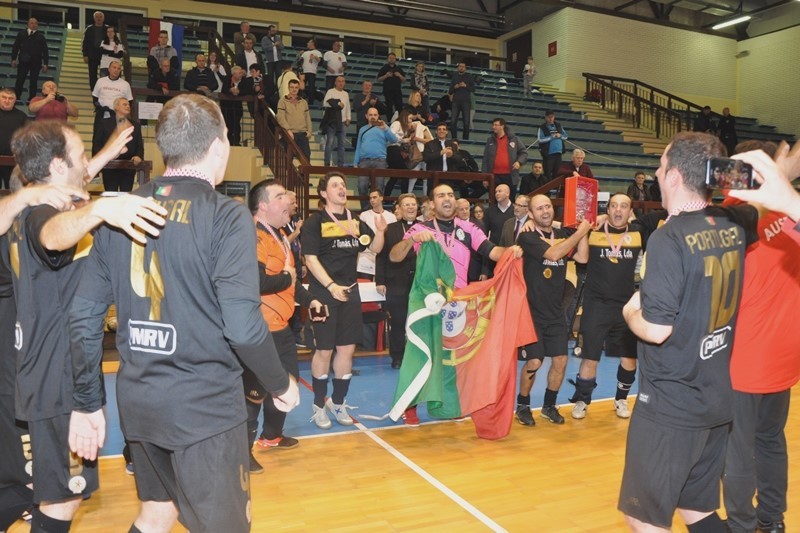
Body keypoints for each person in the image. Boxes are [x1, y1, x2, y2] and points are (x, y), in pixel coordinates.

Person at [67, 94, 299, 532]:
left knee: (156, 515)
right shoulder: (226, 216)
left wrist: (87, 400)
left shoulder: (119, 211)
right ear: (217, 145)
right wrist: (280, 382)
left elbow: (83, 318)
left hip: (139, 401)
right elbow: (243, 327)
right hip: (204, 407)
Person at [7, 118, 168, 533]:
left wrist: (105, 157)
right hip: (58, 379)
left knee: (53, 494)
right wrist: (102, 208)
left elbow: (70, 191)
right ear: (57, 165)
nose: (87, 165)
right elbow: (53, 236)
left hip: (44, 372)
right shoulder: (41, 216)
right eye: (80, 157)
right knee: (63, 500)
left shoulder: (26, 210)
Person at [619, 131, 758, 532]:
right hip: (714, 400)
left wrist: (630, 311)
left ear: (675, 176)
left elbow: (657, 330)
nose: (657, 173)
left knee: (641, 516)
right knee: (695, 509)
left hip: (671, 405)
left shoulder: (669, 238)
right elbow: (759, 195)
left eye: (662, 166)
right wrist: (721, 172)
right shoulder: (733, 223)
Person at [389, 184, 522, 423]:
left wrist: (511, 251)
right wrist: (412, 240)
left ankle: (447, 407)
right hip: (428, 303)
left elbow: (491, 251)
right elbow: (394, 256)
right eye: (441, 195)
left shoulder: (468, 228)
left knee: (452, 358)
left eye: (451, 194)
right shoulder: (420, 228)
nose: (447, 199)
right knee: (420, 353)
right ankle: (409, 406)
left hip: (457, 304)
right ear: (432, 204)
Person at [720, 141, 799, 533]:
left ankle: (741, 524)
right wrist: (784, 169)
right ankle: (772, 519)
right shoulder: (793, 216)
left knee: (738, 449)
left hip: (745, 357)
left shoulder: (738, 213)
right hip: (785, 354)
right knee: (770, 440)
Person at [245, 179, 324, 473]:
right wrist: (288, 278)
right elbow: (256, 282)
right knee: (253, 392)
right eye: (280, 196)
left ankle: (272, 435)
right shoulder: (253, 235)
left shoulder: (279, 235)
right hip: (258, 330)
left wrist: (310, 300)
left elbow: (289, 282)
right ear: (263, 205)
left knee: (287, 383)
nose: (289, 201)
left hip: (282, 327)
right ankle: (242, 451)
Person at [301, 172, 387, 429]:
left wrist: (381, 232)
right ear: (324, 193)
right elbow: (310, 259)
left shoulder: (355, 221)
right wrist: (330, 286)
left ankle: (338, 402)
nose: (341, 188)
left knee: (347, 350)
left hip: (349, 293)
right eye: (335, 185)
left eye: (342, 185)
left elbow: (375, 248)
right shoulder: (315, 222)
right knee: (324, 350)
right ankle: (319, 405)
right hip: (323, 294)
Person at [514, 195, 591, 426]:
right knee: (534, 362)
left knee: (560, 360)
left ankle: (549, 406)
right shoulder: (527, 236)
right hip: (532, 313)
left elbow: (582, 257)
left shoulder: (561, 234)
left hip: (556, 312)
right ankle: (523, 405)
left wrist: (583, 232)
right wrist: (579, 232)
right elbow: (554, 254)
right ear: (531, 213)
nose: (545, 211)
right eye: (539, 208)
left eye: (547, 206)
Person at [568, 194, 644, 420]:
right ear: (607, 209)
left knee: (629, 359)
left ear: (630, 211)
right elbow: (580, 257)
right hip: (596, 305)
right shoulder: (594, 230)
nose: (618, 210)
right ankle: (582, 400)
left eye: (624, 206)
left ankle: (621, 399)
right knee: (590, 357)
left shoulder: (639, 232)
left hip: (625, 307)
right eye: (614, 206)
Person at [376, 193, 418, 369]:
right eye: (406, 205)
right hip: (396, 282)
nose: (411, 207)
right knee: (398, 322)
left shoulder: (425, 228)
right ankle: (397, 357)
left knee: (419, 322)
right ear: (399, 209)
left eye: (413, 204)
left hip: (419, 283)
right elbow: (381, 256)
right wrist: (380, 280)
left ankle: (418, 357)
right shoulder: (391, 229)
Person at [92, 97, 144, 192]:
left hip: (128, 166)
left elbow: (139, 145)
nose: (128, 106)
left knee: (126, 195)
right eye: (124, 104)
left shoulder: (136, 125)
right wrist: (99, 161)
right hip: (109, 166)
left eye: (128, 105)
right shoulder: (104, 123)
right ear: (116, 107)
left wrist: (138, 156)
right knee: (111, 195)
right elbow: (97, 143)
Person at [354, 108, 398, 208]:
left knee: (379, 188)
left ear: (378, 116)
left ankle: (376, 209)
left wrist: (385, 128)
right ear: (366, 116)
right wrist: (355, 162)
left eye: (375, 115)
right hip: (364, 161)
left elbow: (394, 140)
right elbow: (358, 146)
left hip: (380, 161)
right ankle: (365, 210)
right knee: (362, 186)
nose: (373, 117)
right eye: (370, 115)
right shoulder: (362, 129)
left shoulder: (384, 128)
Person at [91, 60, 133, 158]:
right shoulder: (100, 81)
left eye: (118, 68)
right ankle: (96, 161)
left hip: (117, 117)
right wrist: (100, 108)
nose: (116, 70)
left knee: (115, 139)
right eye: (114, 68)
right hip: (102, 115)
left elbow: (129, 101)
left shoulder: (125, 84)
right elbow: (95, 98)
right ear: (109, 69)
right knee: (97, 139)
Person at [482, 118, 528, 199]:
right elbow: (485, 159)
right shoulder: (490, 140)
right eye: (493, 125)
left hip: (510, 176)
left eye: (496, 125)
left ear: (502, 126)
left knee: (510, 199)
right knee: (494, 200)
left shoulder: (514, 139)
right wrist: (485, 177)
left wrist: (519, 162)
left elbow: (524, 153)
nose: (493, 127)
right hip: (494, 176)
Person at [358, 189, 397, 278]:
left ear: (381, 198)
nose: (372, 200)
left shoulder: (391, 216)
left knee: (382, 282)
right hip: (367, 254)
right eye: (370, 198)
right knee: (366, 282)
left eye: (374, 197)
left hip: (384, 254)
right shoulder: (364, 215)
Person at [12, 18, 49, 102]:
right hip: (23, 62)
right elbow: (15, 47)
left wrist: (45, 63)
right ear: (28, 24)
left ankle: (32, 99)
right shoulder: (21, 34)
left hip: (36, 63)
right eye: (31, 23)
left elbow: (45, 51)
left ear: (37, 25)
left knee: (33, 82)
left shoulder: (41, 36)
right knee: (20, 80)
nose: (33, 25)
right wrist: (13, 59)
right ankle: (16, 97)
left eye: (35, 23)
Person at [277, 79, 313, 163]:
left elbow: (307, 117)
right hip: (290, 134)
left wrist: (309, 131)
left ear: (299, 88)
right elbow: (280, 117)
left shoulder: (303, 102)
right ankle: (287, 172)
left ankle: (303, 173)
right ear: (288, 88)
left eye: (296, 87)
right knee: (288, 158)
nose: (294, 89)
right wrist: (288, 130)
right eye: (292, 87)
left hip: (302, 134)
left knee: (306, 157)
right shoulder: (282, 101)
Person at [0, 88, 28, 189]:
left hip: (13, 161)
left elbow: (27, 137)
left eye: (10, 98)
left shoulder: (22, 116)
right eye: (4, 97)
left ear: (15, 100)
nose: (7, 100)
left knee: (12, 190)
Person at [456, 198, 488, 282]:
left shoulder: (479, 224)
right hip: (457, 271)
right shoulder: (453, 225)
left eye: (466, 208)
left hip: (475, 270)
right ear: (456, 211)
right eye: (461, 209)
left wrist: (484, 271)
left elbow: (485, 249)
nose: (465, 211)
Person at [321, 76, 350, 167]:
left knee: (342, 144)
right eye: (339, 81)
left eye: (343, 81)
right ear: (335, 82)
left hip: (343, 122)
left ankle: (341, 164)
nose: (341, 83)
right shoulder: (331, 91)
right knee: (330, 143)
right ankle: (327, 163)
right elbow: (325, 103)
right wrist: (338, 104)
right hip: (333, 121)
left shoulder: (346, 94)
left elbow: (348, 106)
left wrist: (348, 118)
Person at [537, 110, 568, 180]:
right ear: (545, 117)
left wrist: (560, 135)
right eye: (549, 117)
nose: (551, 119)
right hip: (548, 154)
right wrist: (551, 137)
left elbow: (565, 136)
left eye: (552, 117)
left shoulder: (558, 125)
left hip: (558, 153)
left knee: (558, 173)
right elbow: (540, 140)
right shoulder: (542, 127)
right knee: (547, 174)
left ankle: (556, 186)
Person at [82, 11, 107, 91]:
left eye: (100, 17)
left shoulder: (107, 29)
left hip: (104, 55)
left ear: (103, 18)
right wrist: (85, 55)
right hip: (92, 55)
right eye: (97, 17)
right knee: (92, 74)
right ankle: (94, 91)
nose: (99, 18)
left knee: (104, 74)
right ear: (94, 18)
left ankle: (104, 90)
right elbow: (85, 42)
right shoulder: (89, 29)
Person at [449, 62, 475, 141]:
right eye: (460, 66)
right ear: (458, 67)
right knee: (453, 121)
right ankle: (454, 139)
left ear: (465, 68)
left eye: (463, 66)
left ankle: (465, 140)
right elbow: (450, 91)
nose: (461, 68)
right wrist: (455, 87)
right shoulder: (454, 76)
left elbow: (473, 89)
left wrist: (465, 86)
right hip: (455, 101)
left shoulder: (469, 76)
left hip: (466, 101)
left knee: (466, 123)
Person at [377, 53, 406, 123]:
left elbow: (404, 80)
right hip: (388, 91)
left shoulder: (398, 68)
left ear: (395, 59)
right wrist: (386, 76)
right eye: (390, 58)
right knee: (389, 107)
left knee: (399, 107)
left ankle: (400, 122)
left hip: (397, 91)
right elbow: (378, 79)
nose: (392, 59)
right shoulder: (384, 68)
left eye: (393, 58)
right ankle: (390, 121)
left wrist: (399, 75)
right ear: (388, 59)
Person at [299, 39, 323, 104]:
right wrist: (300, 55)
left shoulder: (318, 52)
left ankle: (310, 103)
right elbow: (299, 62)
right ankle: (299, 101)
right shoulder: (304, 53)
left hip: (312, 72)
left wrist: (315, 57)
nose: (307, 43)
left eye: (308, 42)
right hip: (304, 72)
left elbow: (321, 62)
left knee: (311, 88)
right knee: (301, 87)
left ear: (312, 43)